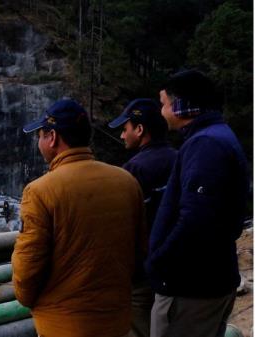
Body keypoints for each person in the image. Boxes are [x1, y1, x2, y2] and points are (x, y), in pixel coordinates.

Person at [12, 99, 145, 337]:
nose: (39, 142)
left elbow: (27, 267)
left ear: (52, 138)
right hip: (116, 320)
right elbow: (138, 251)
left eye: (40, 135)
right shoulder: (126, 181)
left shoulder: (40, 191)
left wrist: (27, 298)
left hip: (64, 325)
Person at [146, 70, 249, 337]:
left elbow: (196, 220)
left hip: (190, 289)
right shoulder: (215, 136)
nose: (161, 111)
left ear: (181, 107)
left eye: (164, 103)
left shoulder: (206, 145)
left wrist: (158, 261)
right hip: (206, 281)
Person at [109, 98, 177, 337]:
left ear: (139, 130)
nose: (122, 135)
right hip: (173, 267)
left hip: (141, 273)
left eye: (125, 128)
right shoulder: (179, 158)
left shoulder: (134, 169)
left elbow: (120, 225)